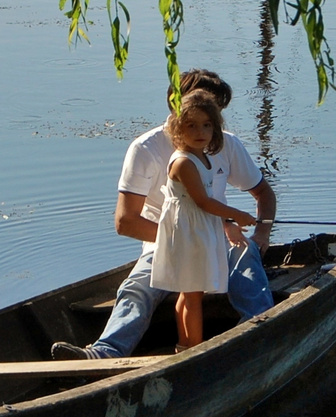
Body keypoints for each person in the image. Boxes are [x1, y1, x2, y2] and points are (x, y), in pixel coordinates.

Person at [52, 69, 277, 360]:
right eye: (198, 115)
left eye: (213, 117)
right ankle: (104, 354)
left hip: (218, 235)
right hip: (165, 241)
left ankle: (257, 331)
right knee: (136, 288)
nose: (206, 128)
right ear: (177, 107)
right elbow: (125, 221)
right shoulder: (146, 148)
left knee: (247, 263)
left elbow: (263, 193)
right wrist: (180, 241)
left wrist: (261, 233)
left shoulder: (226, 144)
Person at [150, 91, 257, 349]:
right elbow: (203, 201)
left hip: (197, 227)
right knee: (193, 293)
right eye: (192, 125)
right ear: (177, 129)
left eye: (207, 125)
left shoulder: (203, 156)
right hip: (187, 231)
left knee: (190, 291)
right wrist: (235, 215)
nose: (201, 131)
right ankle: (193, 348)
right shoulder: (184, 162)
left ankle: (184, 345)